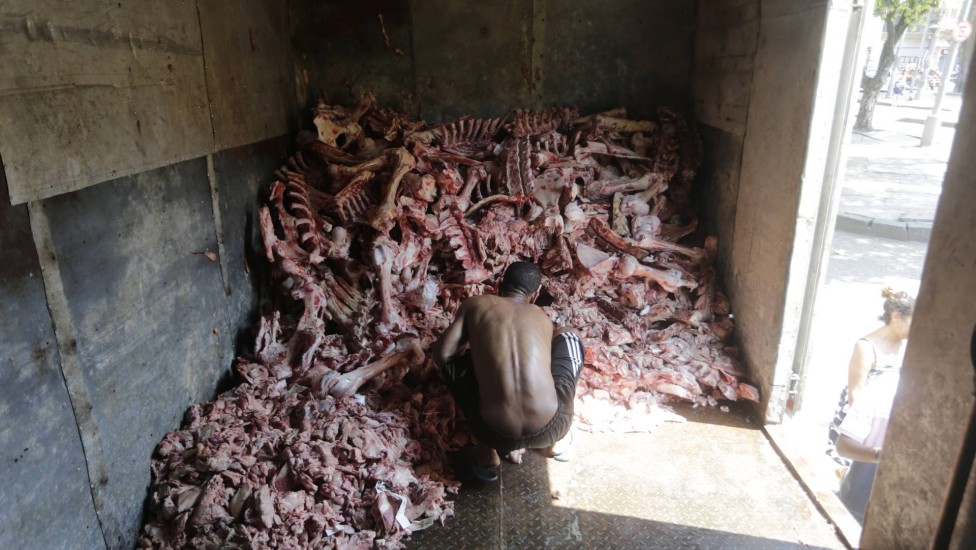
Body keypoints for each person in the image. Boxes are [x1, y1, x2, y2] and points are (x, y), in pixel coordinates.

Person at [433, 262, 584, 482]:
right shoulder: (541, 316)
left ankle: (486, 452)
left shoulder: (475, 304)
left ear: (499, 284)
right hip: (551, 427)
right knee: (570, 335)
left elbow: (441, 357)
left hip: (490, 431)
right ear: (535, 294)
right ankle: (555, 445)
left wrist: (475, 355)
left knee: (453, 366)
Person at [826, 287, 914, 466]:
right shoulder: (866, 347)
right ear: (896, 317)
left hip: (884, 420)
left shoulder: (906, 346)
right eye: (913, 321)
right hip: (863, 423)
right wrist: (865, 434)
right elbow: (854, 395)